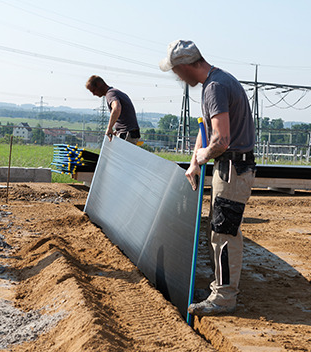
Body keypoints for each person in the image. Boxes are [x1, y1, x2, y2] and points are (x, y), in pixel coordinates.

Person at [160, 40, 256, 316]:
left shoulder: (215, 88)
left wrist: (202, 158)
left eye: (177, 72)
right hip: (228, 169)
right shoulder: (216, 82)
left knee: (224, 234)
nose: (178, 78)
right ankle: (219, 289)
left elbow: (221, 139)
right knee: (217, 230)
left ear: (187, 66)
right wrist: (194, 162)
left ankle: (224, 298)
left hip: (232, 170)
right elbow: (205, 132)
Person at [85, 75, 140, 144]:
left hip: (126, 133)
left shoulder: (110, 94)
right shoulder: (115, 92)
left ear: (99, 85)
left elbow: (117, 108)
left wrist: (109, 128)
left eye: (93, 90)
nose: (93, 94)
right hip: (129, 132)